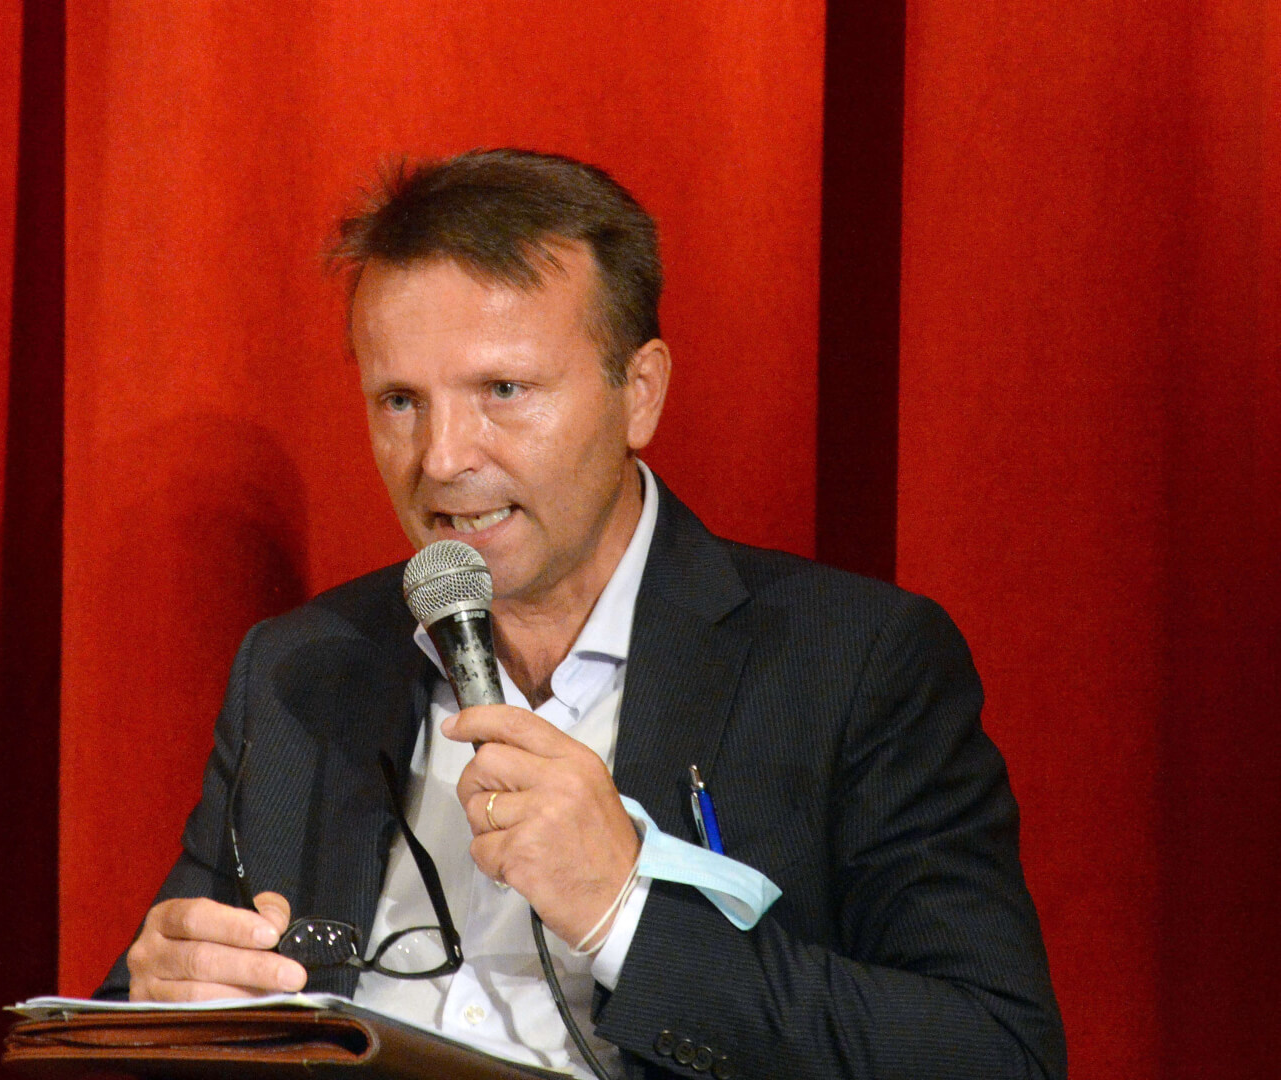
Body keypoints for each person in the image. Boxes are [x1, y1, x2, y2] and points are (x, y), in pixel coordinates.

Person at [95, 149, 1066, 1080]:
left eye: (502, 391)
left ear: (638, 393)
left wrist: (621, 915)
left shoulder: (851, 662)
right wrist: (160, 1000)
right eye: (399, 401)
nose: (441, 458)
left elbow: (994, 1053)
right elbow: (142, 1015)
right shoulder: (300, 668)